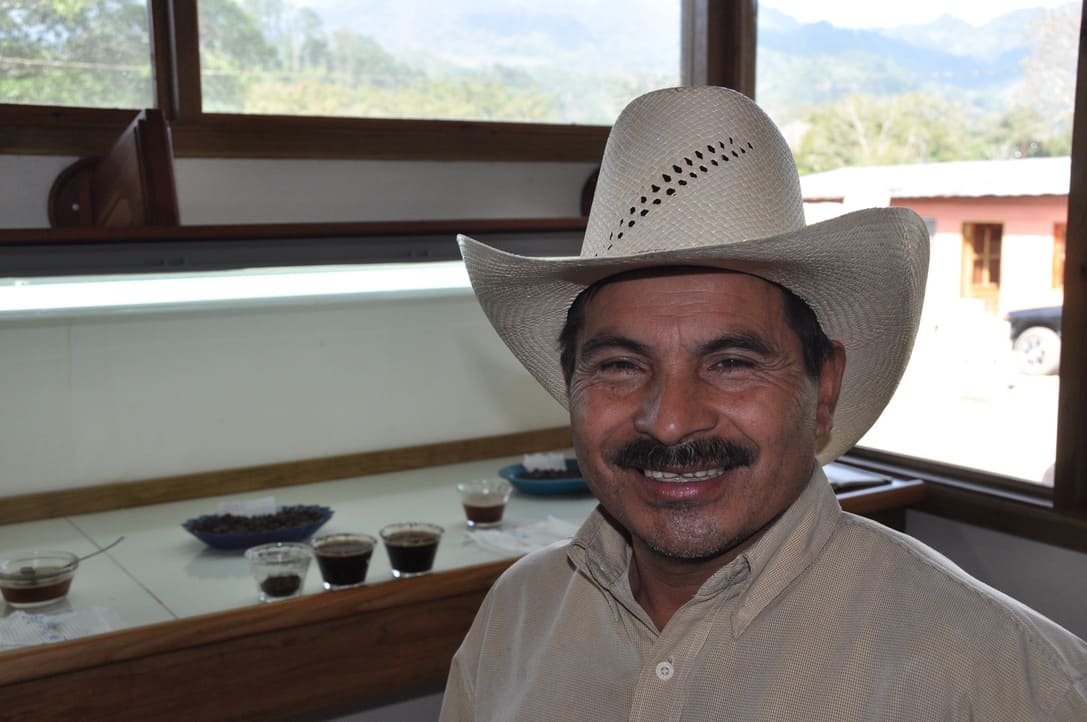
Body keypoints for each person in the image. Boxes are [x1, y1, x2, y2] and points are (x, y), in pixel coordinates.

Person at [440, 86, 1087, 720]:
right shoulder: (517, 613)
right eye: (619, 366)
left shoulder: (1000, 675)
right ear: (571, 384)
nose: (670, 421)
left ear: (823, 388)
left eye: (731, 363)